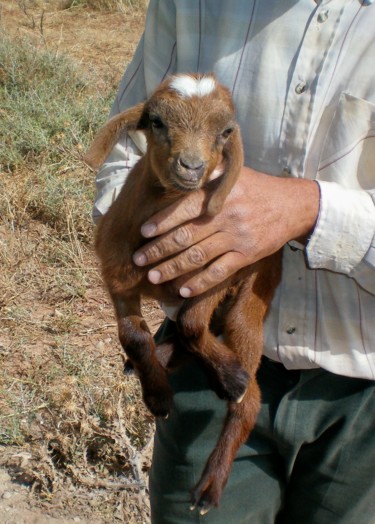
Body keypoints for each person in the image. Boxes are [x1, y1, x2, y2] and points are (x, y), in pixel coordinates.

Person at [93, 1, 375, 522]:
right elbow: (125, 156)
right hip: (199, 367)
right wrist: (153, 240)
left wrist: (309, 207)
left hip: (363, 391)